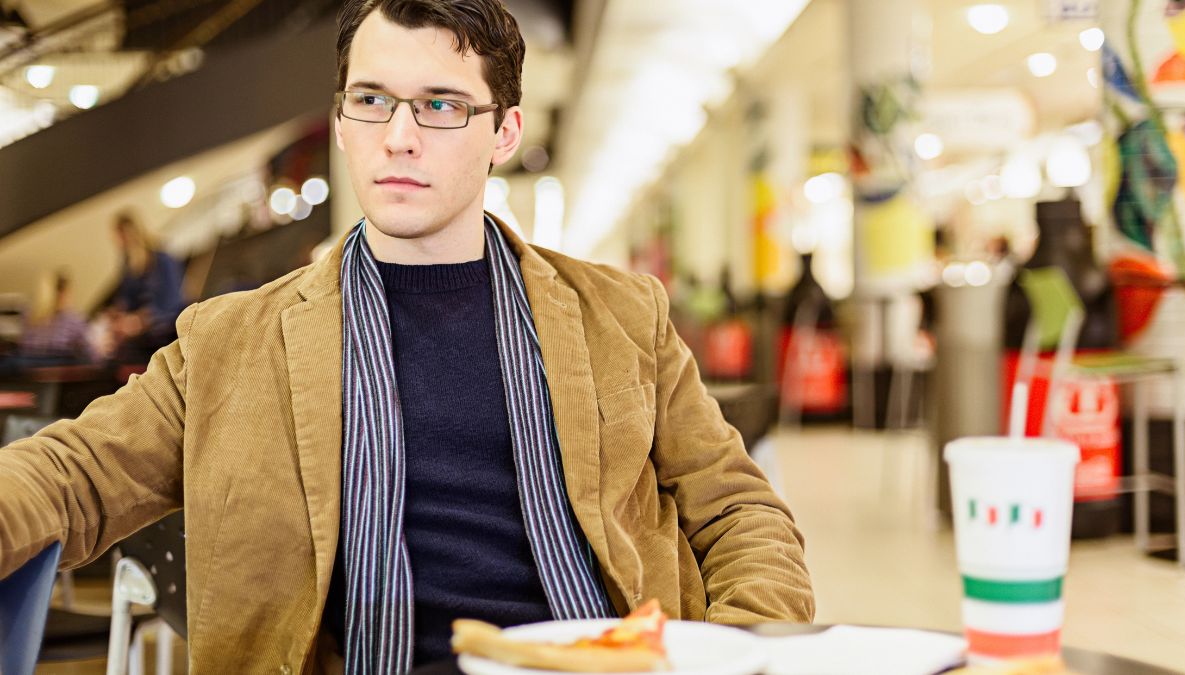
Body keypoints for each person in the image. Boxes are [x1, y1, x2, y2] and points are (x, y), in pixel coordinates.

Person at [0, 1, 814, 672]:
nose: (399, 136)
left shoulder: (620, 315)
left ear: (504, 133)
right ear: (345, 120)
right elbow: (72, 475)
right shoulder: (230, 342)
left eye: (440, 104)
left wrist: (736, 647)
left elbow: (739, 509)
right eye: (372, 99)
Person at [100, 211, 185, 362]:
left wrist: (140, 321)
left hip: (166, 334)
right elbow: (127, 302)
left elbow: (171, 304)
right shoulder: (129, 267)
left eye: (120, 237)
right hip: (143, 338)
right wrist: (117, 316)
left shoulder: (163, 260)